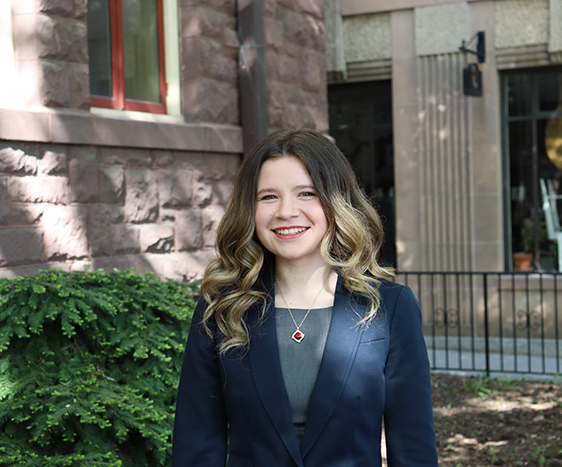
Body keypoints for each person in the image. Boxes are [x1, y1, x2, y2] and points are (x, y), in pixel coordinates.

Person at [172, 129, 438, 467]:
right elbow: (196, 445)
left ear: (336, 201)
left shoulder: (388, 308)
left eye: (306, 193)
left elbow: (413, 447)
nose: (286, 211)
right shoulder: (222, 309)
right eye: (268, 197)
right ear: (248, 210)